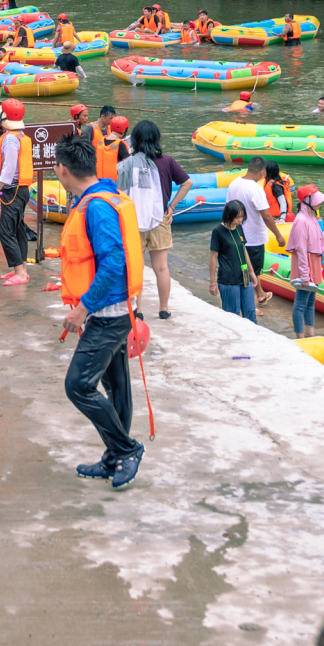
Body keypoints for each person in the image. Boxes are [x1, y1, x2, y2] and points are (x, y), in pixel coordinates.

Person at [55, 134, 145, 489]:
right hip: (118, 309)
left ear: (63, 170)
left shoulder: (96, 207)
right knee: (117, 385)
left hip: (108, 313)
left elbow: (113, 264)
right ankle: (113, 458)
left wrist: (83, 309)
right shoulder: (106, 196)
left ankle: (125, 449)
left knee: (78, 385)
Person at [119, 120, 192, 320]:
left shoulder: (126, 164)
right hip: (160, 219)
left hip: (134, 221)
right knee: (161, 267)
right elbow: (187, 183)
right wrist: (172, 206)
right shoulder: (167, 161)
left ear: (135, 140)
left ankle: (138, 310)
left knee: (137, 267)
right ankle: (164, 308)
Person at [0, 99, 35, 286]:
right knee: (18, 229)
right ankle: (21, 267)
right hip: (21, 190)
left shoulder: (9, 139)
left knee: (6, 231)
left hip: (12, 191)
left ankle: (20, 273)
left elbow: (8, 168)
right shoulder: (21, 136)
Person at [225, 157, 285, 287]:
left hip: (236, 236)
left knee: (243, 270)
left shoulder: (234, 183)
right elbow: (266, 216)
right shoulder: (256, 189)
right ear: (262, 172)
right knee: (252, 273)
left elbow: (227, 208)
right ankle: (251, 304)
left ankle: (259, 296)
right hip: (253, 239)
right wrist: (278, 235)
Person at [285, 184, 324, 338]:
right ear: (307, 201)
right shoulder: (301, 220)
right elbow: (301, 249)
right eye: (317, 200)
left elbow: (320, 239)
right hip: (306, 264)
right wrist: (304, 274)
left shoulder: (312, 217)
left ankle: (311, 334)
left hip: (314, 262)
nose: (320, 203)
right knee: (301, 302)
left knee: (310, 302)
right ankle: (300, 337)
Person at [208, 202, 257, 321]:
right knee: (232, 314)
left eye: (242, 216)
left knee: (250, 310)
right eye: (237, 217)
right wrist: (212, 283)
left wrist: (251, 272)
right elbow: (213, 257)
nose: (240, 219)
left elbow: (243, 249)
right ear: (228, 215)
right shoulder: (218, 232)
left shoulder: (239, 228)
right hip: (228, 279)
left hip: (244, 276)